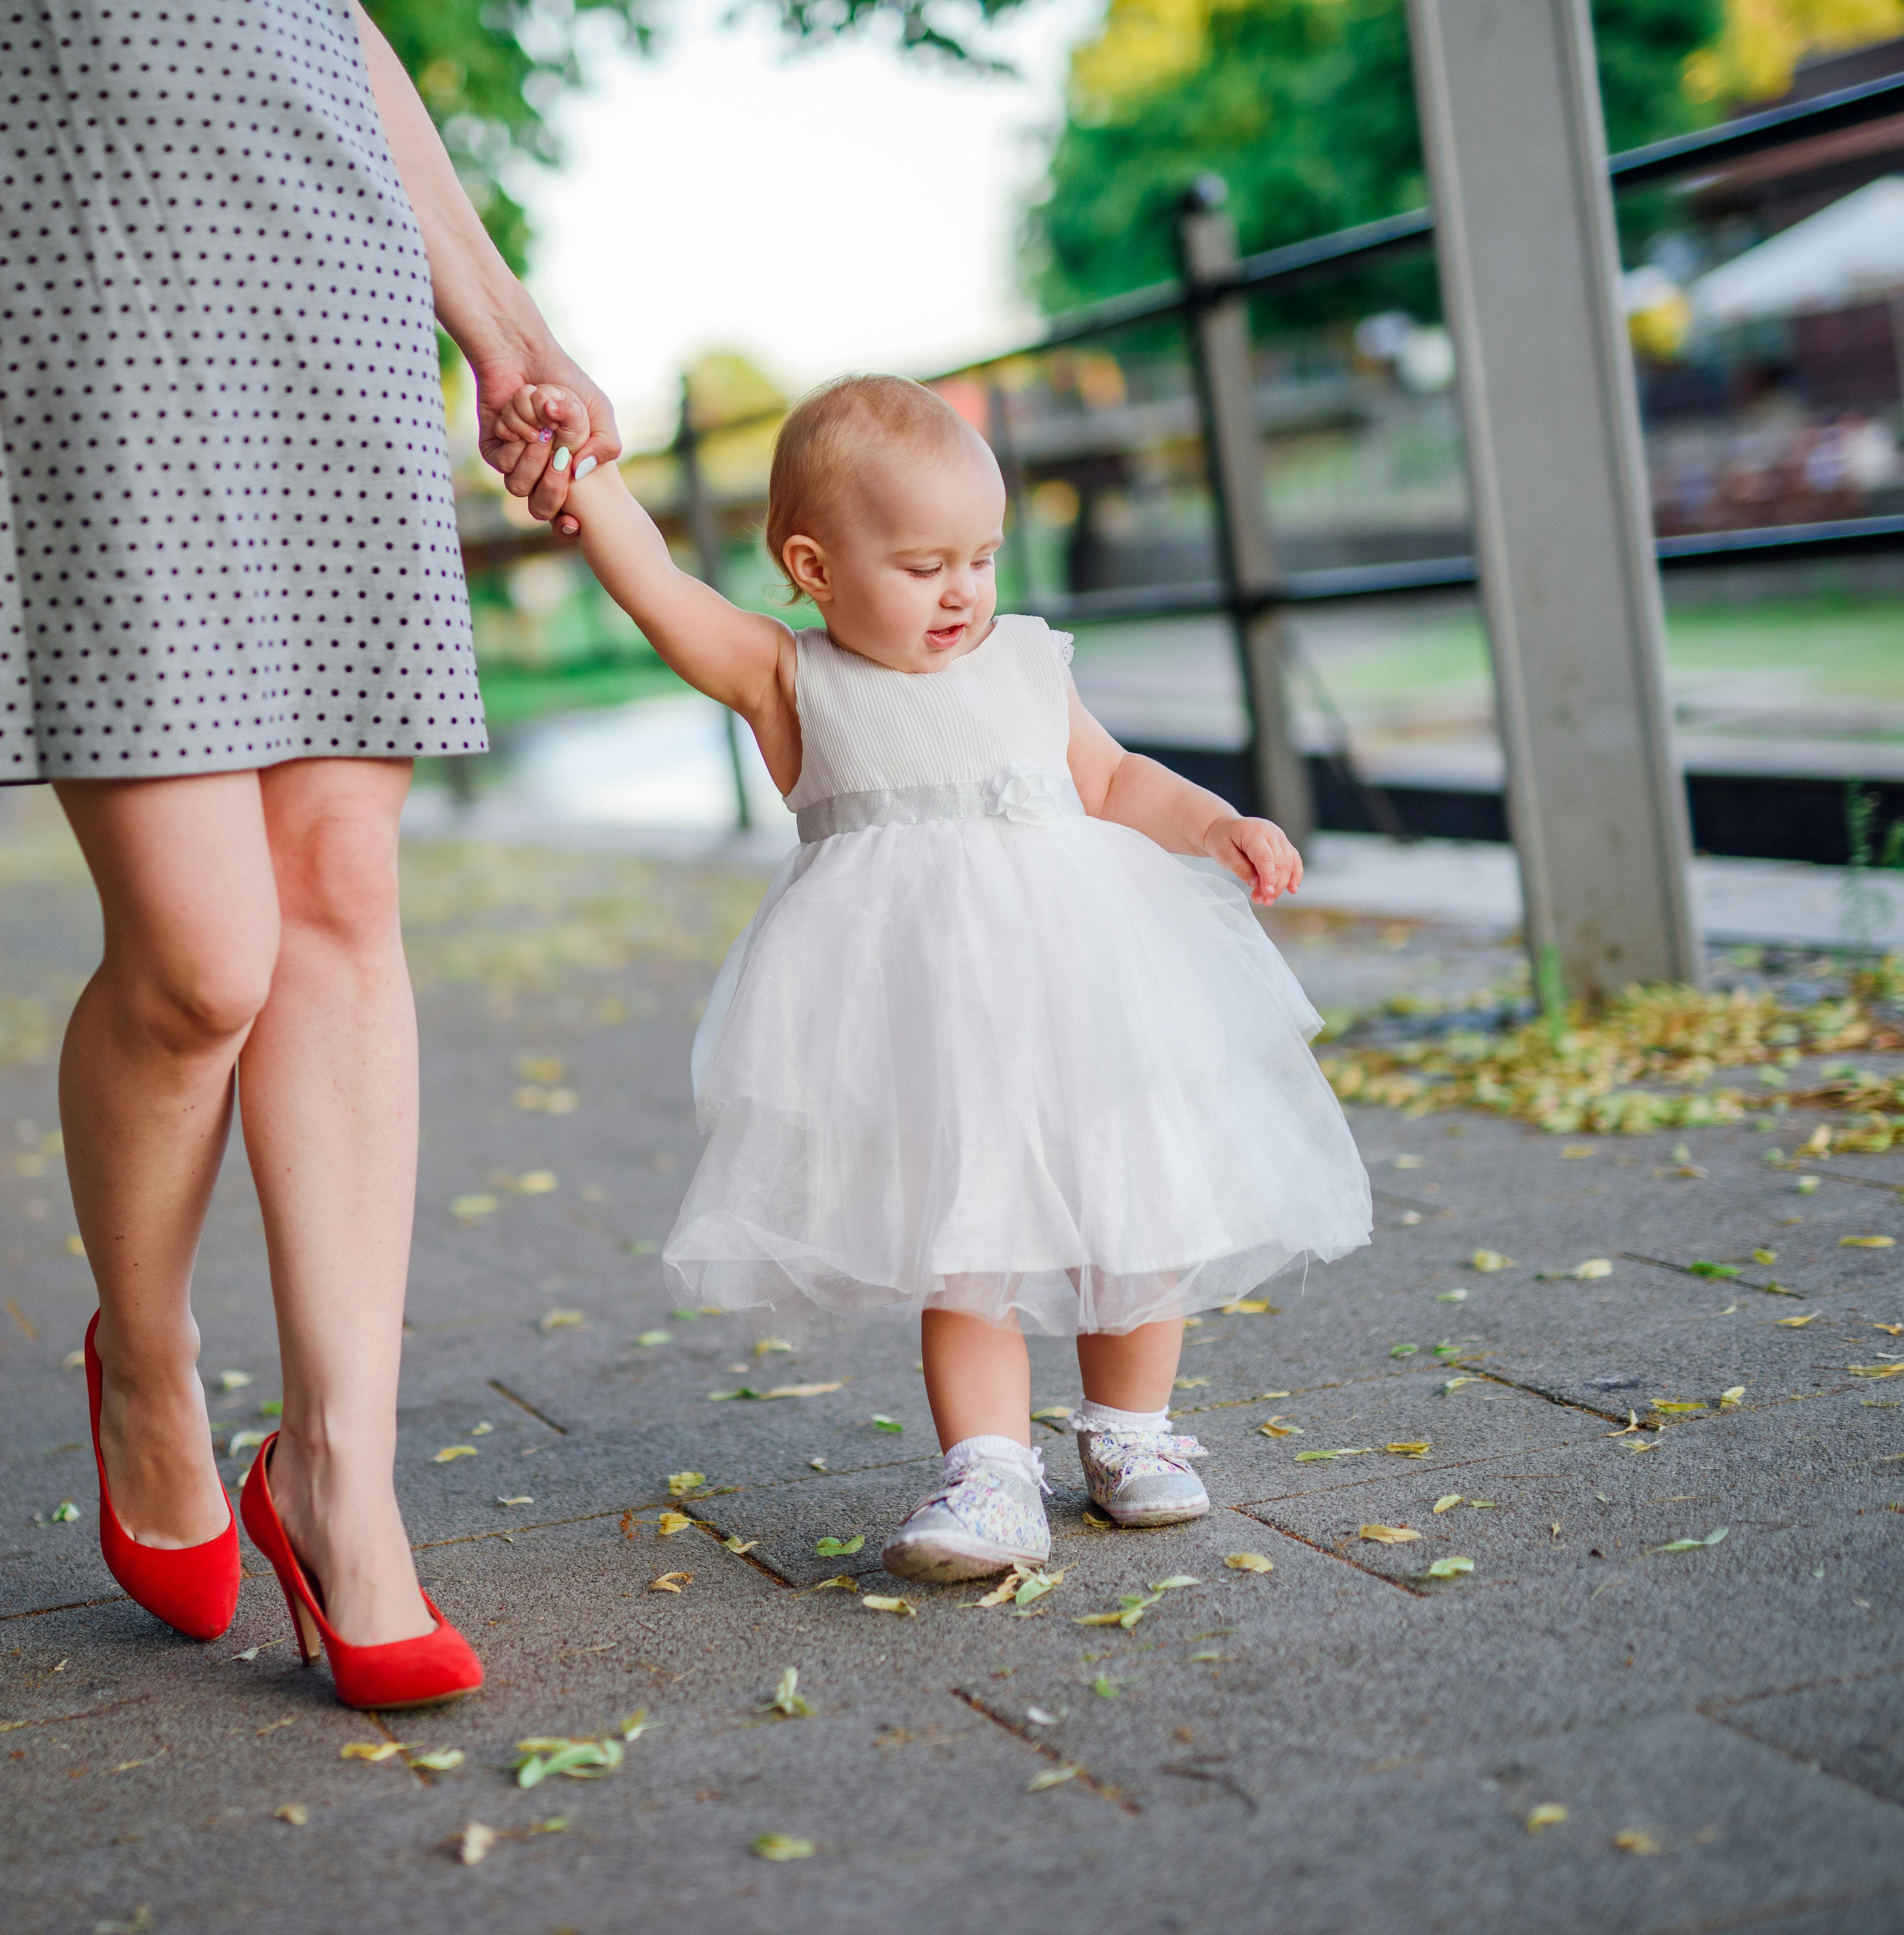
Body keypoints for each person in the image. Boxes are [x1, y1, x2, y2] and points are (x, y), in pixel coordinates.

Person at [0, 0, 614, 1710]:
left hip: (309, 239)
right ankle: (146, 1363)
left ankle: (339, 1484)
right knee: (200, 955)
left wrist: (495, 306)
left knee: (338, 891)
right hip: (25, 230)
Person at [501, 373, 1370, 1580]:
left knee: (1137, 1202)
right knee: (972, 1243)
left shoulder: (1024, 658)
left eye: (983, 557)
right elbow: (659, 589)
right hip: (930, 1022)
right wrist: (584, 478)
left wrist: (1217, 823)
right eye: (921, 566)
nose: (962, 590)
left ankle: (1131, 1434)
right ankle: (991, 1473)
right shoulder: (790, 678)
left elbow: (1115, 781)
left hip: (1087, 983)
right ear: (813, 567)